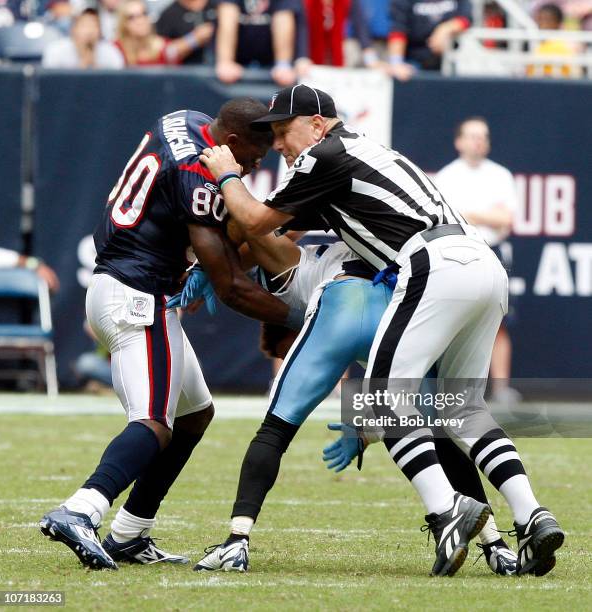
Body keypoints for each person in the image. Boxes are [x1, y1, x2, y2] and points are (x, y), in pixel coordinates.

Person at [195, 84, 564, 577]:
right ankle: (531, 514)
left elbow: (259, 221)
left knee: (386, 399)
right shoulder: (358, 153)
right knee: (463, 409)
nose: (279, 143)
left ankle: (446, 510)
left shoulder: (322, 156)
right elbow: (279, 227)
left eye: (284, 130)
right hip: (483, 262)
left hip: (431, 265)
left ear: (318, 124)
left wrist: (224, 178)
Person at [39, 98, 305, 570]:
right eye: (253, 157)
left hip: (123, 284)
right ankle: (82, 509)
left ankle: (129, 533)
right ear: (232, 142)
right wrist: (303, 321)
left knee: (195, 414)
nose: (254, 166)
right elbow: (230, 288)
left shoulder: (184, 120)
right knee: (153, 422)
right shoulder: (199, 177)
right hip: (138, 297)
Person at [188, 229, 518, 575]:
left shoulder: (287, 262)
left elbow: (249, 249)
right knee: (438, 430)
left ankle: (237, 541)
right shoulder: (373, 236)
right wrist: (363, 427)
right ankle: (496, 546)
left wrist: (206, 268)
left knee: (274, 430)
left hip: (339, 305)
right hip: (393, 309)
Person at [435, 117, 520, 404]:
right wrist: (485, 214)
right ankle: (451, 391)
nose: (478, 141)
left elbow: (506, 219)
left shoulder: (501, 175)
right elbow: (447, 221)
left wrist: (469, 213)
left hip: (493, 252)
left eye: (483, 136)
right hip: (457, 254)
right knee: (450, 321)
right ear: (459, 141)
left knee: (499, 323)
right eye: (472, 136)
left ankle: (501, 389)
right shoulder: (446, 177)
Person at [214, 0, 308, 86]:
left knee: (283, 15)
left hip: (272, 62)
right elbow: (227, 17)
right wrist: (225, 61)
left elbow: (286, 18)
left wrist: (285, 64)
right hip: (237, 60)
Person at [387, 0, 472, 81]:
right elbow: (398, 32)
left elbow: (467, 19)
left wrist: (445, 29)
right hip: (416, 59)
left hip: (452, 56)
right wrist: (396, 63)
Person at [115, 0, 205, 65]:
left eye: (144, 14)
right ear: (123, 23)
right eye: (132, 17)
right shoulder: (116, 50)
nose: (140, 21)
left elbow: (177, 50)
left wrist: (195, 38)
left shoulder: (162, 47)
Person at [42, 8, 124, 69]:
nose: (89, 31)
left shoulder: (111, 52)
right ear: (73, 29)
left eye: (94, 26)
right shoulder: (56, 51)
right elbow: (50, 83)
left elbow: (118, 82)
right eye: (84, 25)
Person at [155, 0, 215, 65]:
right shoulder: (169, 14)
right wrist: (194, 39)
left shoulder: (219, 6)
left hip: (221, 69)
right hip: (186, 70)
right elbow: (162, 53)